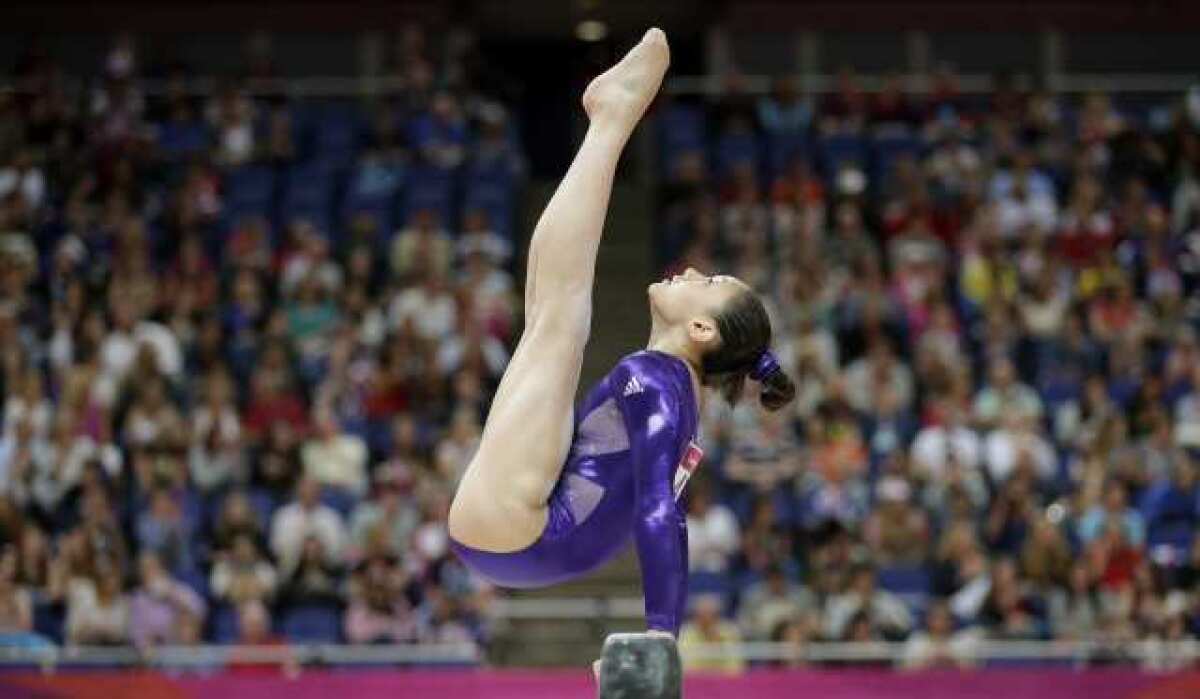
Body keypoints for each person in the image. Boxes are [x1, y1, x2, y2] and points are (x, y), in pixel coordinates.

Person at [446, 29, 795, 664]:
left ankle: (610, 122)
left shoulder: (655, 382)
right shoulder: (670, 386)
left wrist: (664, 629)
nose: (691, 273)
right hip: (525, 538)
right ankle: (609, 120)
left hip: (518, 530)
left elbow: (660, 512)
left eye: (709, 283)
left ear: (702, 331)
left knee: (557, 320)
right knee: (552, 316)